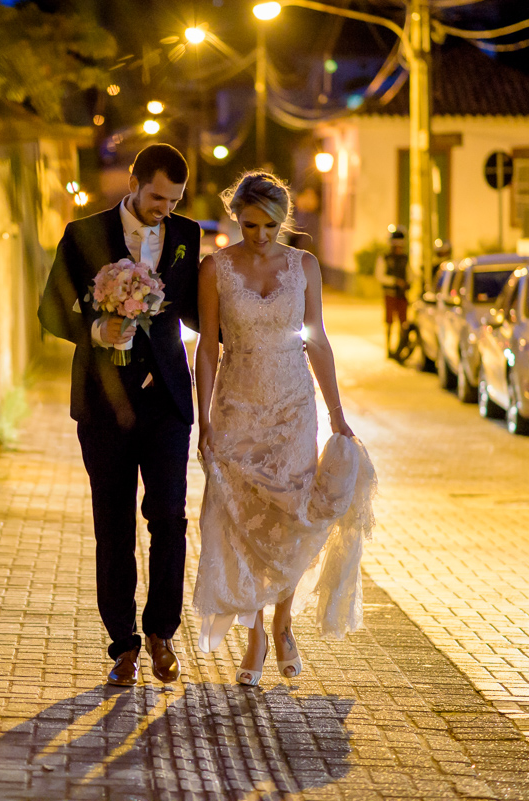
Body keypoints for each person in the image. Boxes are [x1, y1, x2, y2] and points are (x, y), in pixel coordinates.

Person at [191, 171, 377, 686]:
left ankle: (283, 624)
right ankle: (252, 636)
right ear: (237, 218)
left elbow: (316, 340)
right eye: (250, 225)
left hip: (295, 406)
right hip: (237, 405)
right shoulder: (216, 268)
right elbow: (208, 347)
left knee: (295, 515)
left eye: (270, 225)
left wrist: (337, 412)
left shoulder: (305, 266)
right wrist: (203, 418)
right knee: (240, 518)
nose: (260, 235)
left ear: (282, 220)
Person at [37, 144, 202, 686]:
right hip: (104, 404)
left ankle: (161, 633)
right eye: (157, 197)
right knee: (113, 525)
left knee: (170, 519)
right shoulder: (83, 234)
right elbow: (52, 309)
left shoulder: (187, 236)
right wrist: (94, 328)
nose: (164, 209)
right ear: (134, 182)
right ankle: (123, 645)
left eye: (174, 201)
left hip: (167, 403)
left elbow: (197, 309)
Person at [376, 228, 410, 358]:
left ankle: (400, 347)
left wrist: (408, 282)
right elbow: (380, 275)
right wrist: (395, 281)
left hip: (402, 294)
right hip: (390, 293)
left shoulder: (405, 258)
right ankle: (389, 347)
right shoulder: (385, 258)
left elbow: (410, 273)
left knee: (403, 322)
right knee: (389, 322)